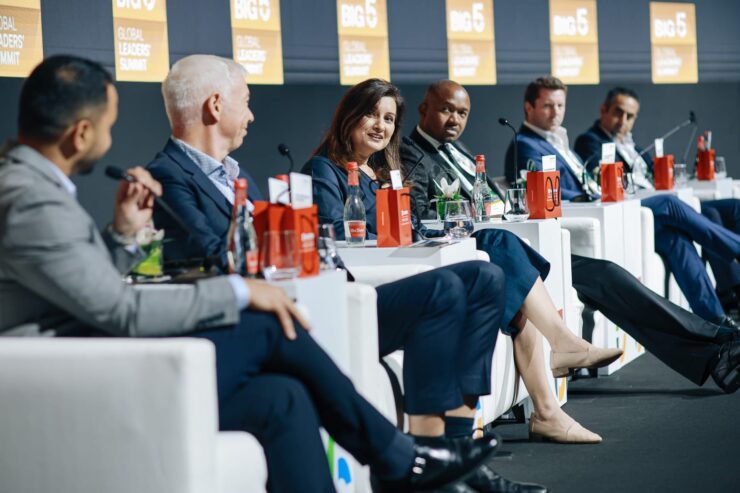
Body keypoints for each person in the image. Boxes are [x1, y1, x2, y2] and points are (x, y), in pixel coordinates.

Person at [0, 55, 506, 493]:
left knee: (282, 398)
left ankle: (403, 458)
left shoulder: (37, 190)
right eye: (108, 127)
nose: (111, 139)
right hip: (78, 372)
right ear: (80, 133)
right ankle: (399, 458)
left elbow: (79, 285)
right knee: (269, 325)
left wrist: (122, 236)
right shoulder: (31, 199)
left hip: (99, 350)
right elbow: (118, 308)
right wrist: (242, 292)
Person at [143, 56, 544, 493]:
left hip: (328, 292)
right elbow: (221, 256)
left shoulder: (236, 174)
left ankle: (455, 452)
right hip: (279, 318)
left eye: (389, 118)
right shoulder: (168, 176)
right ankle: (429, 463)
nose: (252, 114)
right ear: (216, 106)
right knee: (444, 288)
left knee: (485, 277)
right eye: (246, 101)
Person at [303, 77, 629, 452]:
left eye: (389, 119)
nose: (381, 126)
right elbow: (336, 235)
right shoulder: (325, 169)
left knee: (501, 257)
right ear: (349, 116)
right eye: (371, 115)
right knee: (497, 254)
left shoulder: (381, 171)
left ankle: (547, 403)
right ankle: (556, 369)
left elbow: (409, 226)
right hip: (391, 279)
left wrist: (440, 233)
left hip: (415, 260)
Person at [402, 79, 740, 395]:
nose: (455, 119)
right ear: (423, 109)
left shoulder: (456, 149)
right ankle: (717, 344)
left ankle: (715, 349)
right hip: (489, 256)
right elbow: (419, 220)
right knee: (611, 272)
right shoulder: (410, 154)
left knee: (608, 273)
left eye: (462, 113)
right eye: (447, 110)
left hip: (521, 243)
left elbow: (494, 199)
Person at [506, 76, 740, 328]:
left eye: (560, 106)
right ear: (529, 107)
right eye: (547, 106)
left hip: (610, 207)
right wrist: (591, 196)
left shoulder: (559, 142)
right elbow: (544, 192)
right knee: (669, 204)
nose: (556, 113)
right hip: (591, 212)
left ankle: (716, 323)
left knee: (675, 239)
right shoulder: (524, 145)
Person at [573, 86, 740, 313]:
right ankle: (735, 256)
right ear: (604, 110)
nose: (623, 121)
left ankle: (720, 313)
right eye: (618, 112)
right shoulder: (589, 141)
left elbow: (657, 176)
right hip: (637, 206)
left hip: (657, 209)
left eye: (630, 116)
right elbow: (601, 180)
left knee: (722, 212)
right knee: (673, 205)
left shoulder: (635, 147)